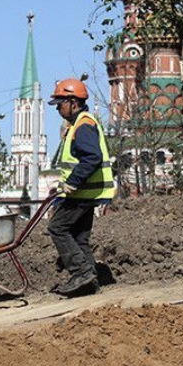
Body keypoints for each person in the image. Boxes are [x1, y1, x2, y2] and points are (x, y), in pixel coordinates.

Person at [46, 78, 115, 297]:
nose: (58, 108)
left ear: (73, 102)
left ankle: (81, 273)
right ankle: (90, 280)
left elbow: (92, 157)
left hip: (82, 192)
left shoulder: (83, 125)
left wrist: (73, 182)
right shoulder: (78, 124)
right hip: (86, 191)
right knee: (79, 236)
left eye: (60, 103)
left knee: (57, 227)